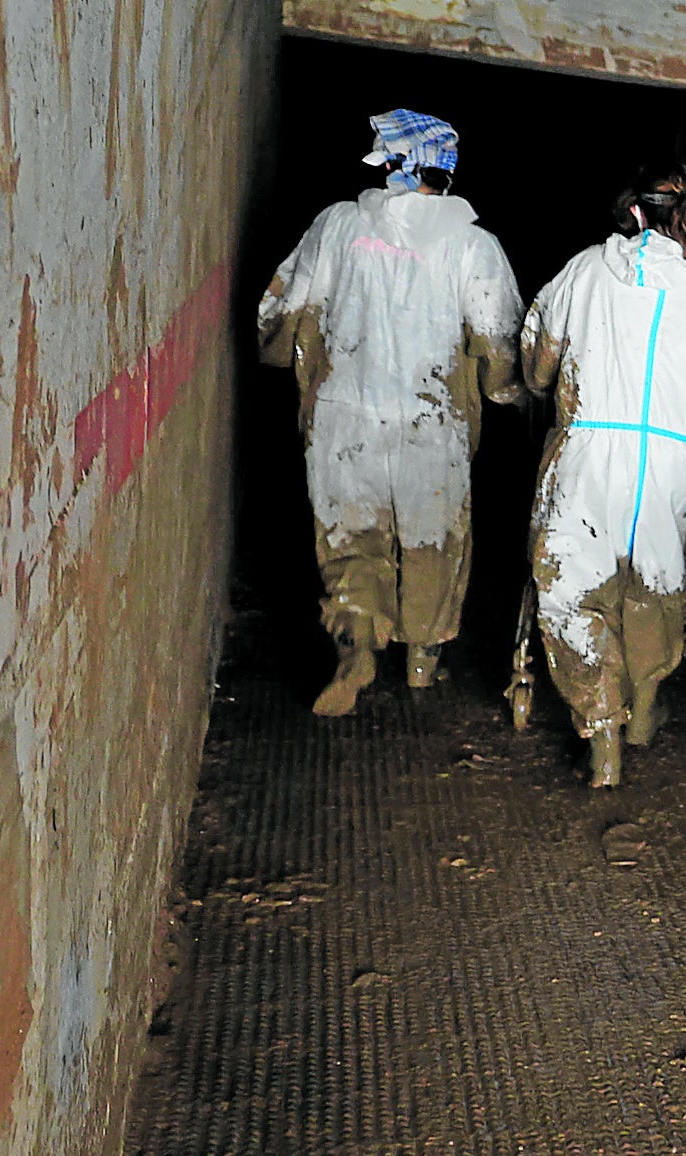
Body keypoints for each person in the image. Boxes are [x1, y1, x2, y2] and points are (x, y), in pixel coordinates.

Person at [519, 160, 686, 787]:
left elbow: (538, 360)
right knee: (655, 588)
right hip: (680, 468)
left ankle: (603, 735)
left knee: (573, 593)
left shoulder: (585, 271)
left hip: (585, 456)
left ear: (634, 213)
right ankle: (644, 709)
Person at [257, 108, 525, 715]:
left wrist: (279, 356)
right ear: (445, 171)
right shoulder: (472, 245)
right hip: (432, 427)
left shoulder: (339, 226)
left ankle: (356, 648)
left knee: (351, 542)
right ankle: (422, 665)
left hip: (342, 419)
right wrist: (511, 396)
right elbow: (498, 341)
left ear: (389, 163)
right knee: (432, 543)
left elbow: (281, 308)